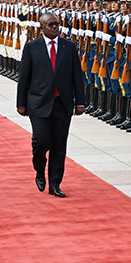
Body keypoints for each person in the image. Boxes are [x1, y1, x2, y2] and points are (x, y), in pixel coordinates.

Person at [16, 11, 86, 198]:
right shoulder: (32, 47)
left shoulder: (69, 47)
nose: (54, 27)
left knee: (59, 145)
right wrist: (21, 103)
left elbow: (76, 76)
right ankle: (39, 168)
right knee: (41, 141)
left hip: (62, 103)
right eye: (50, 24)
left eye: (56, 24)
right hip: (38, 103)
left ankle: (55, 183)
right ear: (42, 28)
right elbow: (24, 77)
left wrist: (80, 102)